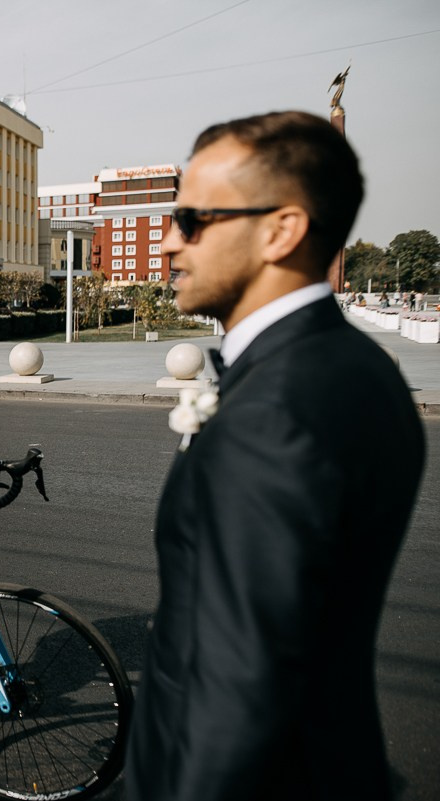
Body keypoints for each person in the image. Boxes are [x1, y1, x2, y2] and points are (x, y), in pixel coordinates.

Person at [127, 111, 424, 801]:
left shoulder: (276, 411)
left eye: (192, 220)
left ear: (281, 230)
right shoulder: (356, 367)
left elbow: (237, 687)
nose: (168, 242)